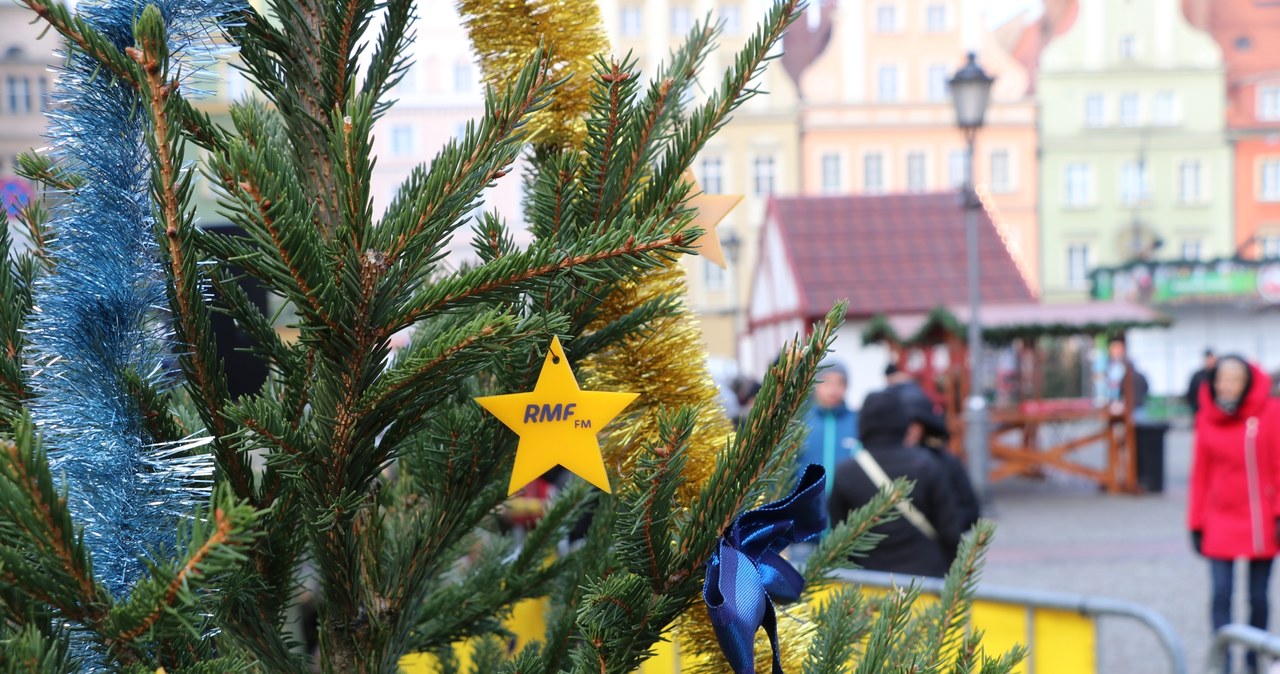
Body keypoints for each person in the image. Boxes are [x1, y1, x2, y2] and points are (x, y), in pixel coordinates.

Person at [1187, 356, 1280, 674]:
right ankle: (1222, 660)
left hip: (1260, 519)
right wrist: (1195, 522)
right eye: (1221, 379)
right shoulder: (1207, 418)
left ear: (1247, 382)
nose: (1226, 385)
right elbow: (1201, 473)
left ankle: (1256, 656)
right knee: (1221, 593)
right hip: (1220, 518)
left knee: (1258, 596)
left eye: (1234, 379)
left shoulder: (1269, 413)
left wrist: (1279, 513)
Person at [828, 390, 963, 578]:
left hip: (868, 584)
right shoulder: (926, 465)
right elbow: (950, 529)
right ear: (902, 421)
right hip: (926, 578)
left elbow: (838, 539)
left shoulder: (846, 473)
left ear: (862, 423)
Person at [902, 395, 980, 563]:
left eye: (914, 423)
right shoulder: (886, 461)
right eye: (904, 423)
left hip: (938, 554)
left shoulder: (946, 462)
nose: (908, 429)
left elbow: (971, 510)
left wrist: (947, 524)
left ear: (925, 426)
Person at [800, 360, 859, 496]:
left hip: (850, 510)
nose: (833, 389)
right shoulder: (801, 422)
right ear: (815, 385)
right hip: (807, 508)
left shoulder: (857, 421)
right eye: (826, 382)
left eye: (840, 383)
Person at [1185, 349, 1217, 417]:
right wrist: (1196, 409)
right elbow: (1191, 394)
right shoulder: (1197, 376)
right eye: (1208, 359)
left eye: (1212, 359)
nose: (1210, 361)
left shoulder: (1219, 375)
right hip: (1200, 411)